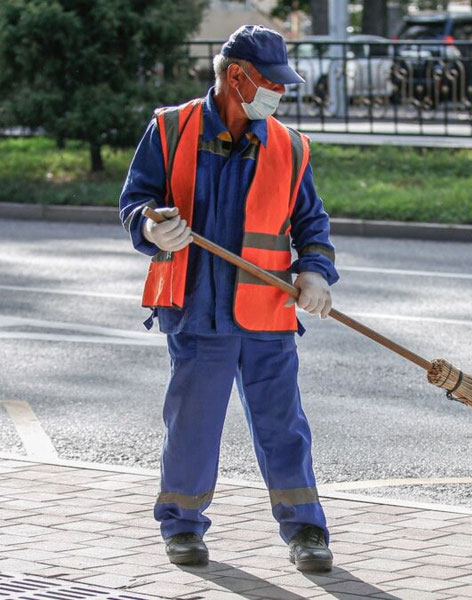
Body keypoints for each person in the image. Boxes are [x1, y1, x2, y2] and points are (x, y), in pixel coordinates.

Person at [118, 25, 338, 572]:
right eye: (271, 83)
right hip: (197, 311)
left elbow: (312, 224)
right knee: (192, 424)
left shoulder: (288, 146)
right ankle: (183, 527)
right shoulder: (171, 130)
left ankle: (307, 530)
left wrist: (315, 272)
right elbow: (136, 202)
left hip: (267, 314)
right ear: (235, 77)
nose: (279, 94)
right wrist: (150, 228)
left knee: (283, 427)